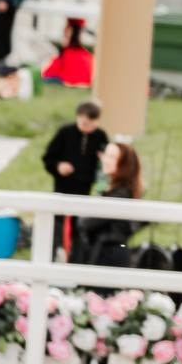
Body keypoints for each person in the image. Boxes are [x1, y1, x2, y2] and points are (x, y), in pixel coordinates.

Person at [42, 100, 110, 258]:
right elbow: (48, 158)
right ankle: (51, 255)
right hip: (62, 187)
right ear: (78, 117)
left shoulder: (100, 136)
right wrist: (59, 166)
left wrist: (103, 160)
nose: (88, 127)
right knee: (57, 223)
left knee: (79, 226)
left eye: (92, 123)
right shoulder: (65, 133)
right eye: (84, 123)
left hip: (84, 188)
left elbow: (105, 164)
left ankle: (76, 258)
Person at [73, 139, 144, 269]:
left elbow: (85, 222)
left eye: (112, 157)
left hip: (110, 256)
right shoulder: (112, 191)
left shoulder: (121, 194)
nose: (105, 160)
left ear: (124, 164)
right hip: (102, 253)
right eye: (106, 155)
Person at [41, 18, 95, 87]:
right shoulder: (87, 55)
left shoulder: (66, 54)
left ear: (70, 31)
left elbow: (47, 74)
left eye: (66, 28)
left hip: (64, 82)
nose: (63, 31)